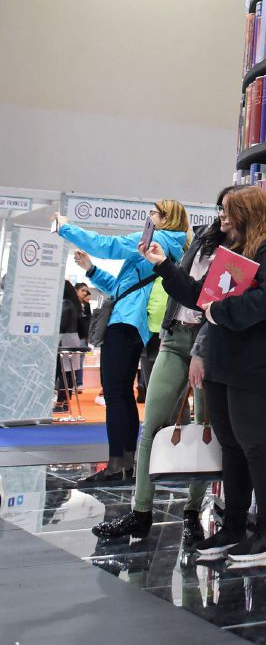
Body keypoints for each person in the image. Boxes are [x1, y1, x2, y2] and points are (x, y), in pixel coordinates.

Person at [140, 185, 266, 563]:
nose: (222, 218)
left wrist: (217, 312)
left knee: (257, 446)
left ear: (250, 212)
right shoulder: (237, 252)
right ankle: (233, 528)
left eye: (229, 211)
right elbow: (201, 294)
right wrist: (163, 264)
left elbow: (264, 303)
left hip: (259, 367)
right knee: (232, 445)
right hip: (226, 363)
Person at [91, 189, 237, 543]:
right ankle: (140, 512)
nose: (222, 215)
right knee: (153, 423)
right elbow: (182, 286)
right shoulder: (202, 237)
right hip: (175, 338)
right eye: (219, 207)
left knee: (204, 427)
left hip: (211, 344)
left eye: (230, 209)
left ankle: (192, 511)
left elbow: (218, 300)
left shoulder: (243, 250)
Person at [55, 201, 190, 485]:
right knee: (121, 394)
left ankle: (119, 464)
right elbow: (123, 287)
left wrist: (66, 227)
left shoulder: (157, 239)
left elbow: (107, 245)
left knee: (117, 394)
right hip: (132, 322)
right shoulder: (166, 244)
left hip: (127, 322)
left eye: (152, 214)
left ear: (163, 218)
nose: (148, 218)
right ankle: (124, 463)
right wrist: (91, 270)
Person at [54, 281, 82, 413]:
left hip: (64, 339)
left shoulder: (65, 304)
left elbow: (62, 325)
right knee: (70, 372)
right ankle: (65, 402)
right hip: (74, 337)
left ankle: (60, 403)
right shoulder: (75, 303)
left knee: (62, 372)